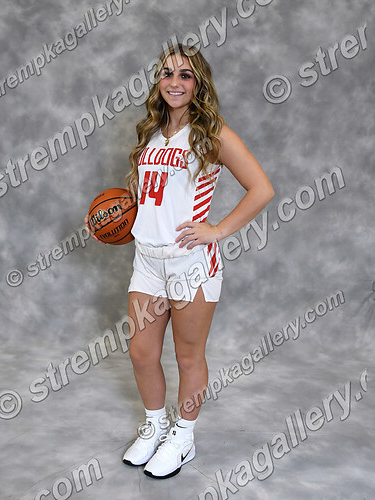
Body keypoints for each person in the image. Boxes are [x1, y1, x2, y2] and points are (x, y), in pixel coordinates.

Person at [85, 43, 275, 480]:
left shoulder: (213, 133)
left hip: (191, 263)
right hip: (148, 261)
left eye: (185, 75)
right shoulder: (151, 133)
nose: (174, 82)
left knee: (188, 356)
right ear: (158, 81)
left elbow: (261, 188)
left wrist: (218, 230)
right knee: (140, 352)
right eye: (167, 73)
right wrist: (109, 220)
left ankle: (183, 436)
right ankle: (155, 426)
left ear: (198, 83)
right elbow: (150, 198)